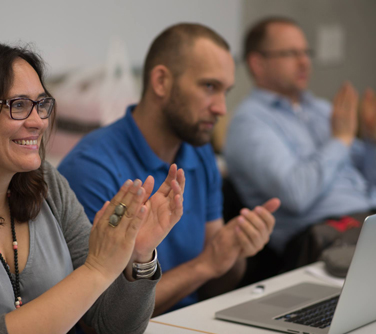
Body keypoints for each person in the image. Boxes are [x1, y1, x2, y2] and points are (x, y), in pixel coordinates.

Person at [0, 42, 186, 333]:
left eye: (42, 104)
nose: (38, 121)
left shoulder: (47, 183)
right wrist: (97, 270)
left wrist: (140, 257)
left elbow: (112, 324)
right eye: (19, 105)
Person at [58, 23, 281, 315]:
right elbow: (99, 317)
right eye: (209, 87)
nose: (221, 108)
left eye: (226, 91)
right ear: (161, 81)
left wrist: (236, 250)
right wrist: (205, 264)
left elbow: (213, 282)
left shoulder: (199, 151)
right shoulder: (91, 167)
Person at [224, 17, 376, 257]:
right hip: (323, 240)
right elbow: (295, 195)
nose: (304, 62)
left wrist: (372, 139)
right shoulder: (249, 123)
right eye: (290, 53)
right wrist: (341, 140)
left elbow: (367, 183)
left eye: (306, 52)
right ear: (257, 64)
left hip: (367, 221)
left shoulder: (319, 109)